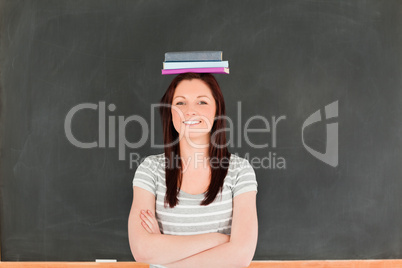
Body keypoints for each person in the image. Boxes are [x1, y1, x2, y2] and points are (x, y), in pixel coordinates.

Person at [128, 73, 258, 268]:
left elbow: (240, 256)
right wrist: (219, 240)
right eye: (180, 103)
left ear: (217, 110)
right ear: (170, 112)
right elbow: (142, 249)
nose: (189, 111)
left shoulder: (240, 171)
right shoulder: (150, 170)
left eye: (202, 102)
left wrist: (165, 257)